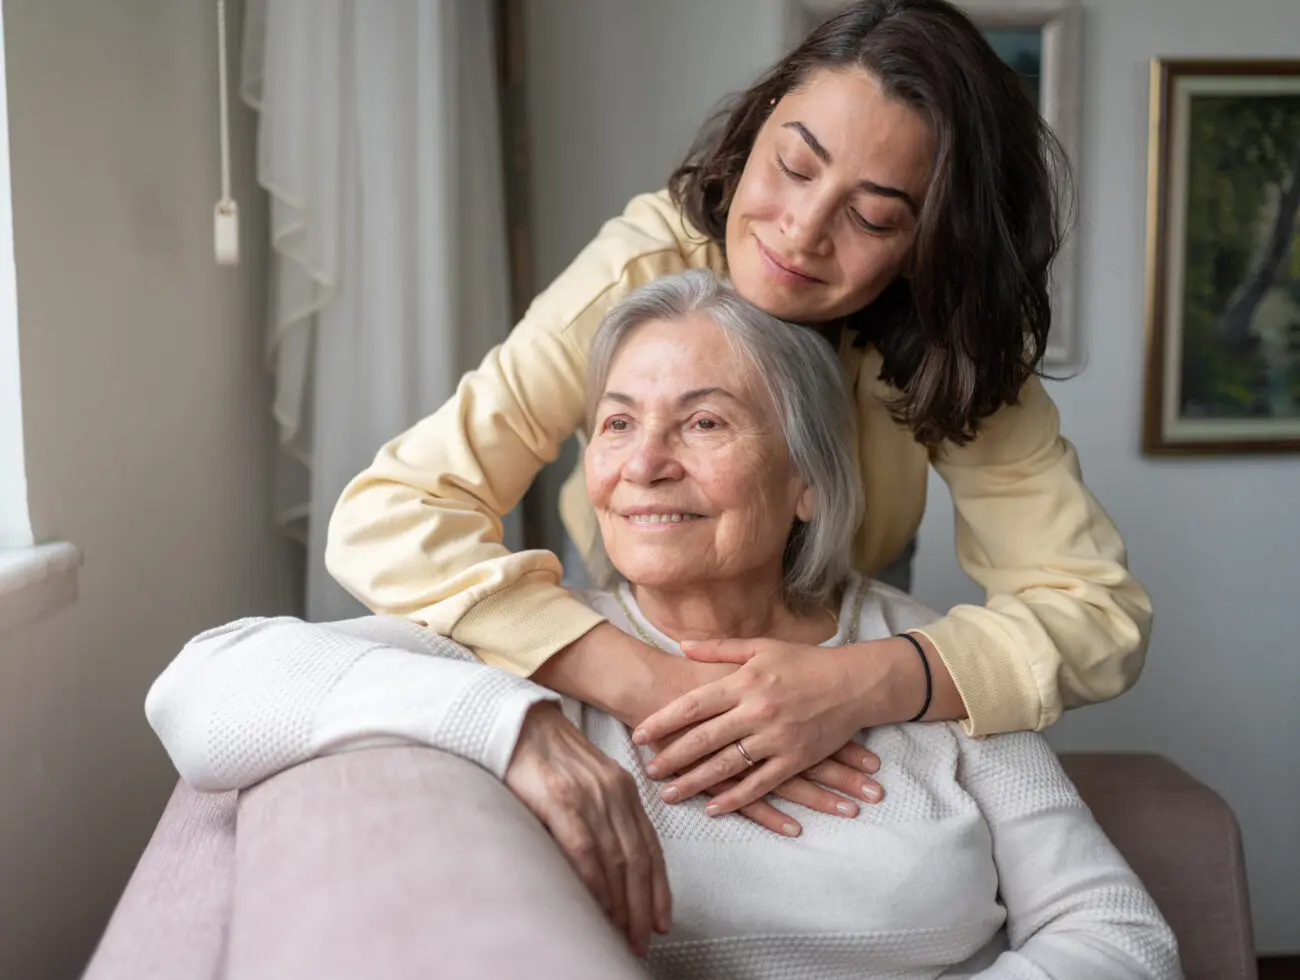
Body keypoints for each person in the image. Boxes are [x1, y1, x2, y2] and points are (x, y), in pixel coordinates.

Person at [147, 273, 1180, 978]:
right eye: (617, 422)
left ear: (808, 482)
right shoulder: (533, 643)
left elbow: (1121, 938)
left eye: (704, 420)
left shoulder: (926, 661)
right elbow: (200, 688)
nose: (643, 464)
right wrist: (520, 727)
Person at [324, 0, 1153, 831]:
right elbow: (390, 515)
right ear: (757, 127)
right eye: (794, 165)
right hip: (631, 615)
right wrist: (645, 678)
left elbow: (1097, 614)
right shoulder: (638, 272)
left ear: (931, 244)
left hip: (849, 618)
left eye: (871, 217)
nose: (800, 231)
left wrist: (858, 681)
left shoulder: (953, 347)